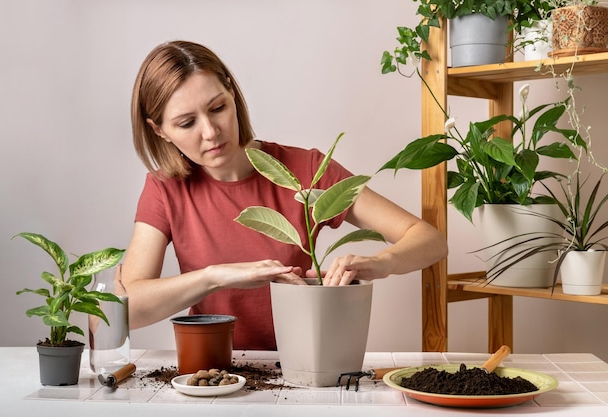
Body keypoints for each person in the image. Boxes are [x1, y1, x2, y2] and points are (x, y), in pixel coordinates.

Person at [122, 40, 448, 350]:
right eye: (186, 123)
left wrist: (381, 262)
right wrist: (214, 277)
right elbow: (125, 310)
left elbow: (430, 240)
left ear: (232, 93)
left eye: (217, 107)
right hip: (212, 369)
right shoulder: (165, 189)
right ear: (159, 130)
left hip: (304, 363)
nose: (210, 132)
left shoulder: (304, 170)